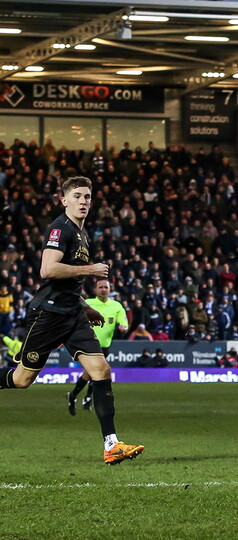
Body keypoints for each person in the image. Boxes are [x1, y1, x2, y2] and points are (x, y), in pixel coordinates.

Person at [0, 176, 144, 464]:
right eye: (77, 196)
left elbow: (70, 279)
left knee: (101, 369)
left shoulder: (83, 233)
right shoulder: (60, 228)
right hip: (50, 313)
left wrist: (84, 307)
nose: (83, 201)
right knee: (22, 379)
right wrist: (91, 270)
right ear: (63, 200)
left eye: (87, 197)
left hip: (73, 314)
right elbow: (48, 269)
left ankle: (111, 445)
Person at [67, 278, 128, 416]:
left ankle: (74, 395)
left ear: (110, 289)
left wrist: (123, 327)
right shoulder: (88, 304)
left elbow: (123, 321)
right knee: (96, 373)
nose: (103, 289)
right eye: (100, 287)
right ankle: (87, 398)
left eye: (106, 287)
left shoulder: (117, 306)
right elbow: (74, 320)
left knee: (91, 374)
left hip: (104, 346)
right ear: (95, 290)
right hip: (88, 344)